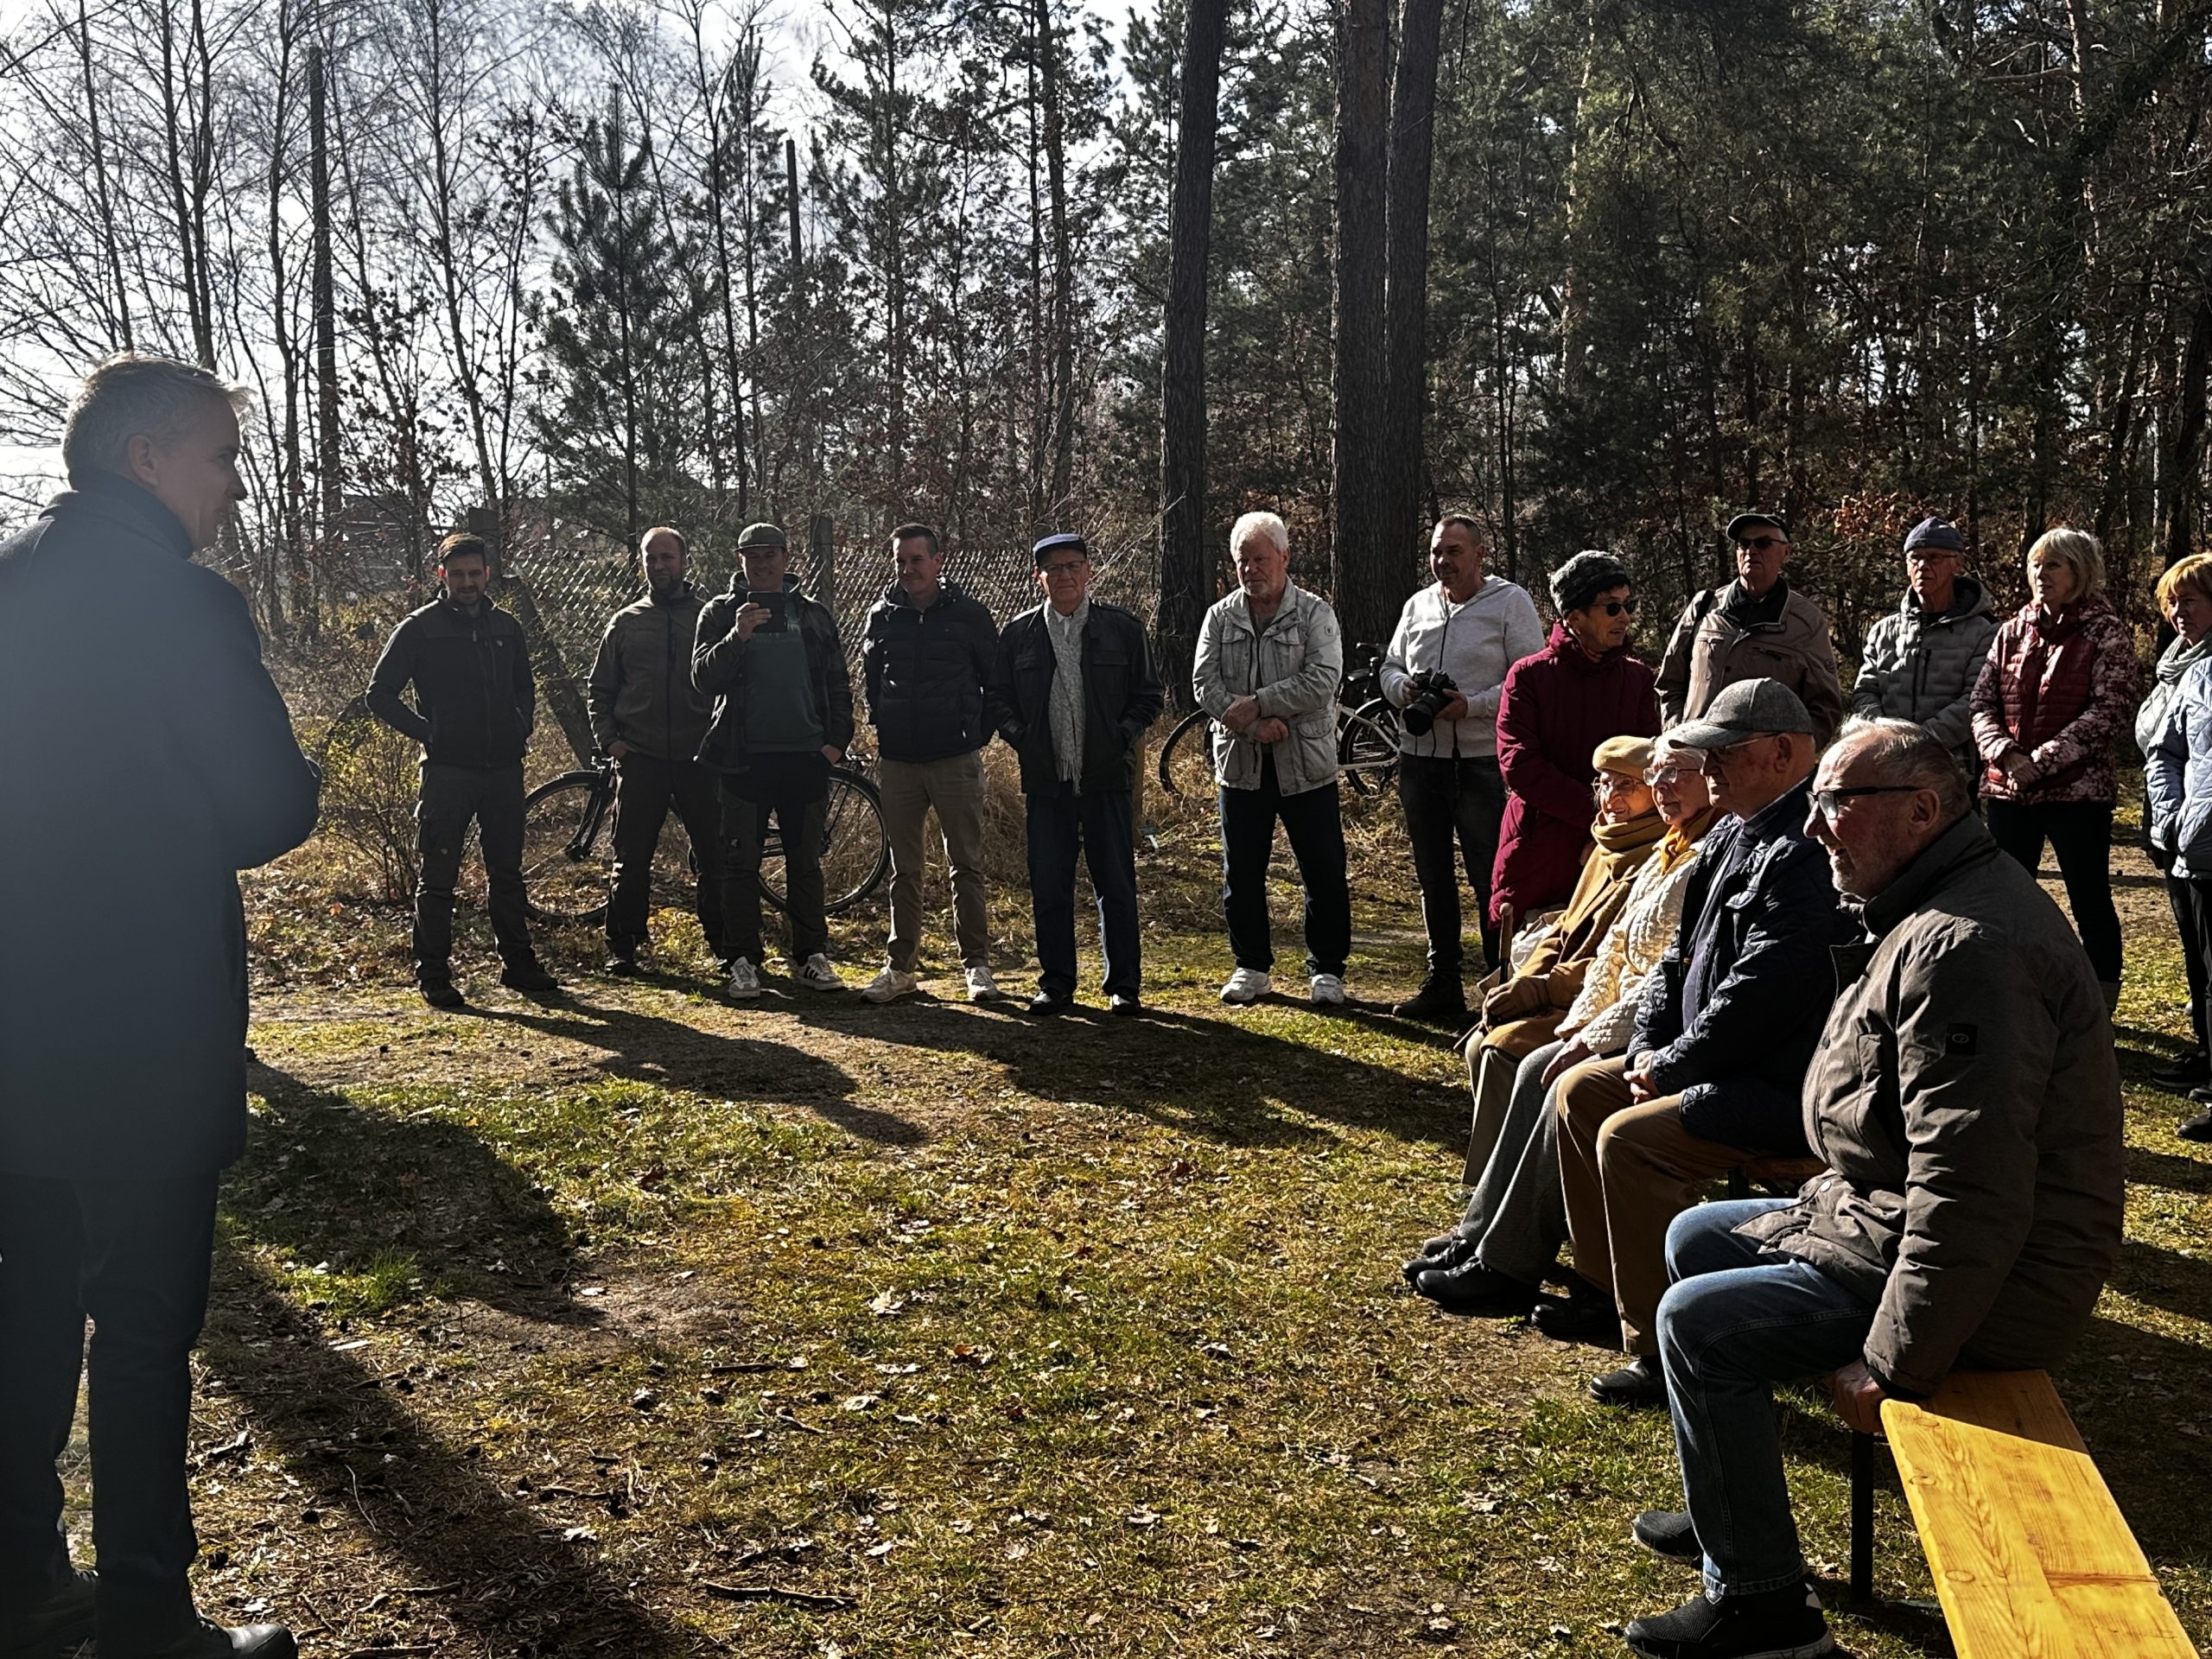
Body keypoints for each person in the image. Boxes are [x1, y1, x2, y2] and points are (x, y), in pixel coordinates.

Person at [1618, 719, 2123, 1659]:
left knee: (1698, 1323)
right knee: (1698, 1238)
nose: (1814, 829)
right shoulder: (1924, 906)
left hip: (2004, 1282)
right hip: (1885, 1216)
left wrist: (1897, 1360)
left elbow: (1973, 1188)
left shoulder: (1967, 947)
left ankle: (1765, 1611)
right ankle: (1732, 1496)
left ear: (1920, 811)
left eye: (1836, 805)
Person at [0, 355, 321, 1658]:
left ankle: (21, 1585)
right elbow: (268, 804)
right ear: (145, 459)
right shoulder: (184, 603)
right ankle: (145, 1617)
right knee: (140, 1317)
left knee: (21, 1299)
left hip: (9, 1019)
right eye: (219, 459)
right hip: (143, 1018)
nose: (232, 489)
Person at [1547, 679, 1854, 1408]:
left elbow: (1763, 991)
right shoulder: (1729, 832)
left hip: (1783, 1086)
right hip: (1716, 1063)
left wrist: (1672, 1066)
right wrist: (1647, 1049)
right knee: (1579, 1091)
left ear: (1783, 754)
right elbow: (1675, 963)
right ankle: (1607, 1289)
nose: (1707, 766)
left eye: (1724, 752)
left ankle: (1665, 1349)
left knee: (1630, 1140)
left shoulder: (1806, 848)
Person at [1408, 746, 1719, 1315]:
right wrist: (1577, 1027)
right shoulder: (1666, 848)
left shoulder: (1704, 853)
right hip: (1606, 1014)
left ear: (1717, 777)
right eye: (1656, 774)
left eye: (1677, 774)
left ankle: (1508, 1262)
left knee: (1546, 1072)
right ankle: (1482, 1234)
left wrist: (1586, 1033)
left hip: (1654, 1031)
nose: (1662, 786)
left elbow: (1662, 976)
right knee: (1536, 1063)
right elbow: (1612, 952)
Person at [1455, 737, 1666, 1181]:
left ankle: (1509, 1185)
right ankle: (1497, 1176)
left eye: (1627, 786)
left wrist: (1542, 989)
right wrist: (1522, 982)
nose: (1611, 799)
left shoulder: (1655, 855)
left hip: (1598, 1004)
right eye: (1604, 784)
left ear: (1655, 789)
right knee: (1480, 1043)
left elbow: (1620, 959)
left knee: (1502, 1052)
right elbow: (1563, 930)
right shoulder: (1606, 845)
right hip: (1559, 990)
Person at [367, 531, 561, 1007]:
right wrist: (430, 733)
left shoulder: (507, 627)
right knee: (438, 879)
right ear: (442, 575)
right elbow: (379, 694)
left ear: (488, 573)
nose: (467, 582)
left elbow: (524, 686)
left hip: (504, 770)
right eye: (458, 575)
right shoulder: (420, 629)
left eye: (475, 573)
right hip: (447, 774)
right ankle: (433, 974)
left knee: (507, 874)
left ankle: (518, 965)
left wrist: (522, 723)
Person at [988, 533, 1164, 1015]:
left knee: (1116, 884)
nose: (1064, 576)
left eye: (1073, 566)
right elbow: (998, 698)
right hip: (1047, 781)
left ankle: (1124, 986)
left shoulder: (1122, 629)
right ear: (1038, 578)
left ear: (1088, 572)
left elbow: (1149, 695)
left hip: (1106, 777)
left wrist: (1119, 736)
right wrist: (1025, 739)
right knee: (1050, 884)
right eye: (1054, 569)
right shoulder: (1019, 634)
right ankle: (1056, 983)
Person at [1380, 515, 1545, 1020]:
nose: (1442, 561)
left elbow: (1529, 679)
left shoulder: (1510, 602)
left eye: (1453, 551)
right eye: (1436, 551)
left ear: (1479, 554)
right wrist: (1404, 689)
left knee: (1490, 877)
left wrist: (1471, 705)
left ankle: (1502, 985)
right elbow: (1389, 667)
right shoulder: (1418, 605)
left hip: (1480, 763)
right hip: (1419, 760)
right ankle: (1443, 983)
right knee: (1432, 876)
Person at [1969, 526, 2139, 1011]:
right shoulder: (2011, 631)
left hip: (2077, 795)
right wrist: (2006, 754)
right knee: (2006, 901)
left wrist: (2041, 762)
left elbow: (2110, 710)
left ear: (2079, 572)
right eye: (2035, 565)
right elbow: (1981, 704)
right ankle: (2010, 998)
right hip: (2009, 791)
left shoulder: (2106, 633)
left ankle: (2099, 1009)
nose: (2041, 574)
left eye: (2053, 565)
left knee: (2090, 902)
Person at [1194, 511, 1352, 1008]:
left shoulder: (1315, 614)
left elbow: (1322, 679)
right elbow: (1204, 683)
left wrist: (1260, 702)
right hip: (1241, 765)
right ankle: (1251, 967)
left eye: (1261, 559)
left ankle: (1327, 970)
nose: (1251, 569)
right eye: (1242, 561)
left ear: (1285, 557)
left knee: (1322, 869)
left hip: (1305, 765)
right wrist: (1250, 724)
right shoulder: (1220, 617)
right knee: (1241, 872)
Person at [693, 522, 855, 998]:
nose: (762, 564)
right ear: (740, 561)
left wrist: (836, 743)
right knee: (739, 865)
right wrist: (737, 636)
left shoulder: (813, 614)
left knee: (804, 863)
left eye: (770, 554)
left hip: (805, 757)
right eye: (753, 555)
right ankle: (742, 960)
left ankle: (811, 956)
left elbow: (838, 681)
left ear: (786, 558)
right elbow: (702, 680)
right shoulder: (719, 613)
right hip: (742, 759)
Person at [859, 523, 1002, 1004]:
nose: (908, 569)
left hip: (954, 760)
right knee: (905, 869)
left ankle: (977, 967)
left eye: (916, 560)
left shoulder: (969, 616)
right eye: (900, 561)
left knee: (966, 864)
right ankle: (901, 968)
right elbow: (872, 681)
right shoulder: (881, 616)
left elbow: (994, 681)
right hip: (899, 762)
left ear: (938, 562)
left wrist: (973, 735)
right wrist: (884, 727)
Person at [1491, 550, 1662, 942]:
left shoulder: (1637, 679)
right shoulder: (1528, 677)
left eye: (1629, 605)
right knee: (1525, 956)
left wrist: (1608, 829)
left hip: (1619, 845)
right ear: (1574, 616)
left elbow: (1648, 762)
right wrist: (1597, 814)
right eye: (1612, 607)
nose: (1625, 617)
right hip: (1540, 846)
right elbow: (1520, 766)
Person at [586, 525, 724, 976]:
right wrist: (611, 741)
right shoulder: (626, 622)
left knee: (715, 856)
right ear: (641, 564)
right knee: (631, 859)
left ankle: (725, 946)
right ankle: (623, 948)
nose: (660, 565)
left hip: (700, 758)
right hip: (641, 757)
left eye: (667, 557)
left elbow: (730, 682)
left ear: (684, 561)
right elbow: (600, 689)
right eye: (651, 558)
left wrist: (720, 741)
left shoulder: (708, 617)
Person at [1656, 512, 1843, 742]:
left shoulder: (1806, 622)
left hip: (1761, 761)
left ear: (1786, 552)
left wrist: (1787, 755)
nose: (1751, 550)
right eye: (1743, 544)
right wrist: (1676, 736)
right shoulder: (1705, 606)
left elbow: (1825, 708)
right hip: (1695, 754)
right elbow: (1669, 685)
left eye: (1763, 543)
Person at [1848, 516, 1998, 779]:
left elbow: (1975, 701)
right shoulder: (1883, 631)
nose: (1923, 566)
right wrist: (1884, 735)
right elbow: (1865, 692)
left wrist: (1921, 741)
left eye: (1934, 558)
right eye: (1915, 558)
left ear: (1958, 562)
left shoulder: (1985, 631)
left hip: (1952, 768)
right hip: (1886, 762)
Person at [2145, 560, 2212, 1141]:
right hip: (2191, 840)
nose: (2177, 612)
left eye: (2189, 601)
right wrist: (2170, 818)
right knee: (2202, 962)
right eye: (2173, 602)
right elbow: (2164, 751)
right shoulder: (2188, 670)